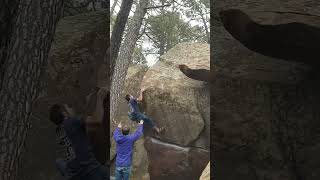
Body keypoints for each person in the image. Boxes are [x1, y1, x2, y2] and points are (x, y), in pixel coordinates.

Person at [49, 104, 108, 180]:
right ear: (64, 113)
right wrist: (100, 96)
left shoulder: (58, 133)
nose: (71, 108)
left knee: (59, 162)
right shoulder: (72, 122)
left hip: (75, 175)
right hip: (91, 170)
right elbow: (97, 120)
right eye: (69, 107)